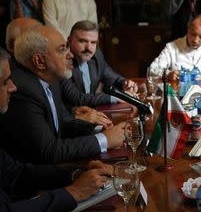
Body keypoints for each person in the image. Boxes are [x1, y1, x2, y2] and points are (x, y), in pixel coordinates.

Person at [0, 46, 114, 211]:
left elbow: (16, 174)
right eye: (4, 82)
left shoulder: (51, 83)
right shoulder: (26, 90)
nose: (13, 87)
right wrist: (74, 192)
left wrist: (76, 173)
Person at [0, 26, 126, 164]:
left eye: (67, 47)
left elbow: (63, 124)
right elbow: (50, 151)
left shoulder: (51, 80)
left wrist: (97, 129)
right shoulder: (23, 91)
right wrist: (105, 140)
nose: (70, 55)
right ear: (39, 61)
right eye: (62, 49)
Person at [5, 18, 112, 128]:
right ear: (12, 46)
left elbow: (58, 114)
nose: (69, 55)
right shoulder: (19, 86)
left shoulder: (51, 76)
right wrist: (105, 139)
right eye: (30, 34)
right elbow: (49, 142)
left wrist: (72, 112)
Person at [61, 20, 137, 108]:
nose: (89, 48)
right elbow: (77, 98)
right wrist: (114, 98)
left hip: (92, 113)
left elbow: (114, 79)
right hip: (71, 116)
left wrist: (125, 84)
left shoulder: (96, 56)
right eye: (83, 41)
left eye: (93, 42)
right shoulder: (62, 61)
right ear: (69, 41)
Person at [149, 14, 201, 82]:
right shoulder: (171, 47)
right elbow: (152, 70)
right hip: (179, 95)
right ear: (188, 28)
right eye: (193, 34)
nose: (196, 40)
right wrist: (168, 74)